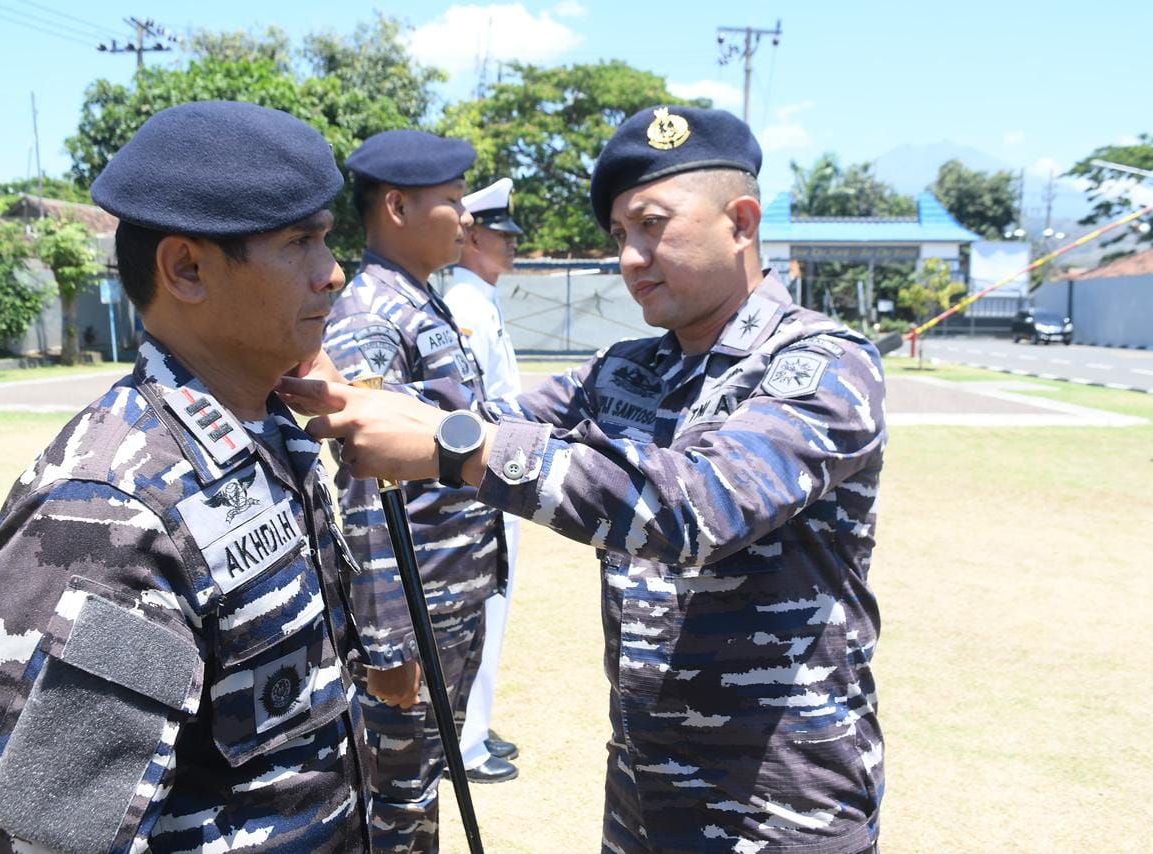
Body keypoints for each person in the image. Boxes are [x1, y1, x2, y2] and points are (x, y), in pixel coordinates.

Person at [286, 106, 888, 854]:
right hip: (644, 789)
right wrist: (341, 387)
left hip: (776, 806)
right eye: (619, 235)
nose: (631, 257)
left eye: (652, 225)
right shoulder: (627, 371)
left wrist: (455, 446)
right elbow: (476, 419)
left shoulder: (823, 364)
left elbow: (699, 507)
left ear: (741, 222)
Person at [0, 101, 373, 852]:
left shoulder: (269, 432)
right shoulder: (109, 512)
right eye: (300, 242)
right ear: (187, 269)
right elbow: (59, 838)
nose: (334, 272)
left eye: (326, 238)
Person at [323, 129, 514, 853]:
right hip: (416, 608)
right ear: (397, 207)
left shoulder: (420, 302)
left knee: (424, 785)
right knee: (398, 801)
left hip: (448, 596)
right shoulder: (373, 316)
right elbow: (368, 488)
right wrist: (388, 642)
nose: (466, 218)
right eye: (453, 201)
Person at [444, 177, 524, 779]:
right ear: (472, 239)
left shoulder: (481, 298)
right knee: (482, 609)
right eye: (502, 233)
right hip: (483, 474)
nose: (513, 242)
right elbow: (471, 404)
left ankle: (474, 724)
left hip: (499, 468)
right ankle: (465, 742)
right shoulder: (466, 304)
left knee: (494, 607)